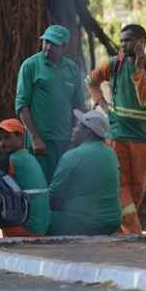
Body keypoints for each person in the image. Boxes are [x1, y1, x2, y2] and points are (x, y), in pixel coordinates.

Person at [86, 24, 146, 234]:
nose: (123, 44)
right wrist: (102, 104)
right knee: (119, 184)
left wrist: (139, 68)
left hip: (142, 139)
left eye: (128, 40)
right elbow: (91, 81)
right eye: (121, 40)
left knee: (137, 188)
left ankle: (121, 232)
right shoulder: (114, 65)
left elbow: (145, 100)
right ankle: (133, 232)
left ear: (141, 42)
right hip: (117, 135)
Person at [15, 25, 85, 182]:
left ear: (64, 47)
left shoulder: (72, 69)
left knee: (62, 186)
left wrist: (77, 137)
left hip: (65, 142)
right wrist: (35, 137)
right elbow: (21, 104)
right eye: (46, 41)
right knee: (39, 184)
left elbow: (79, 106)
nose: (48, 46)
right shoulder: (30, 66)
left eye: (53, 43)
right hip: (40, 143)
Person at [48, 110, 121, 236]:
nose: (73, 129)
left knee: (41, 217)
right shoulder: (111, 153)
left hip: (86, 224)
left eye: (77, 126)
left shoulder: (71, 156)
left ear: (87, 131)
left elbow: (54, 197)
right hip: (113, 222)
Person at [0, 118, 50, 237]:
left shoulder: (10, 160)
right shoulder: (30, 157)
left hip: (26, 228)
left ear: (21, 137)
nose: (2, 143)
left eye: (7, 137)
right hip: (43, 226)